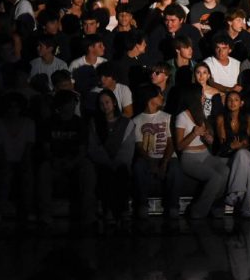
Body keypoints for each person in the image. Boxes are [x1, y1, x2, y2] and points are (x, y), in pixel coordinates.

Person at [35, 89, 97, 227]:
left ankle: (88, 214)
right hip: (55, 162)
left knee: (88, 169)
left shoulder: (79, 123)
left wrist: (73, 162)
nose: (72, 105)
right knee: (44, 170)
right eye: (69, 103)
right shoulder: (49, 123)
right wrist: (54, 160)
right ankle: (45, 213)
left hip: (75, 162)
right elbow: (46, 148)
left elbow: (82, 150)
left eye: (73, 103)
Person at [172, 83, 230, 220]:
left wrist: (209, 139)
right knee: (215, 177)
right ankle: (198, 211)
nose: (204, 97)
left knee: (225, 170)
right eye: (201, 95)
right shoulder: (182, 117)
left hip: (205, 154)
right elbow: (179, 146)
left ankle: (215, 205)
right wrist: (193, 133)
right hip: (190, 157)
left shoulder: (201, 114)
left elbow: (208, 140)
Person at [130, 85, 182, 220]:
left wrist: (164, 162)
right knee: (138, 166)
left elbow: (171, 142)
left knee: (175, 168)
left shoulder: (167, 117)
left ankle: (173, 206)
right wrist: (151, 162)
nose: (162, 97)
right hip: (148, 158)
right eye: (158, 95)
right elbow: (139, 146)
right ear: (150, 99)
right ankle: (142, 205)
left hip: (167, 157)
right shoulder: (137, 120)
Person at [88, 89, 134, 225]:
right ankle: (107, 210)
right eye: (101, 103)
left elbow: (128, 148)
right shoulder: (94, 123)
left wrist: (117, 162)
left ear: (114, 102)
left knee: (121, 172)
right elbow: (93, 147)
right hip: (102, 164)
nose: (105, 106)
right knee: (105, 173)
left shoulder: (126, 123)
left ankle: (123, 210)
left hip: (120, 164)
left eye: (107, 102)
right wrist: (107, 162)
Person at [0, 92, 35, 224]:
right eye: (10, 107)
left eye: (16, 107)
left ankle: (29, 211)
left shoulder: (29, 123)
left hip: (22, 160)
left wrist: (23, 163)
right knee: (4, 175)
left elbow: (29, 148)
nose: (13, 110)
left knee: (27, 176)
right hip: (5, 160)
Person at [214, 90, 250, 219]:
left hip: (245, 152)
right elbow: (222, 142)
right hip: (228, 154)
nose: (232, 102)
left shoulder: (247, 117)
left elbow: (248, 141)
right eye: (229, 100)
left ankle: (233, 195)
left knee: (243, 154)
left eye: (236, 100)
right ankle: (245, 209)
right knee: (245, 166)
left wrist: (240, 145)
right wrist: (232, 146)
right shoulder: (221, 118)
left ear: (241, 103)